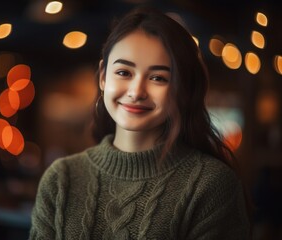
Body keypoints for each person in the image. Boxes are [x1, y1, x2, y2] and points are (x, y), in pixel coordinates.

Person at [29, 6, 251, 239]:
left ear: (181, 88)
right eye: (124, 72)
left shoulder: (211, 186)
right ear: (104, 76)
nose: (136, 92)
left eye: (158, 78)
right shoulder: (61, 179)